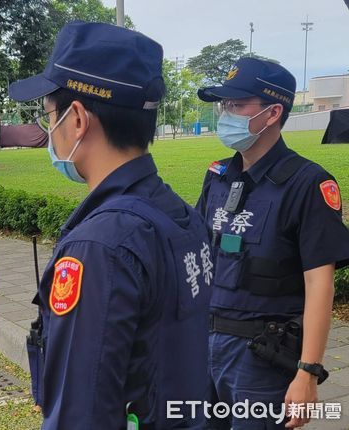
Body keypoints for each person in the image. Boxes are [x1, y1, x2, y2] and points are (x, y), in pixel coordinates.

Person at [9, 21, 212, 429]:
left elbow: (80, 414)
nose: (50, 130)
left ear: (78, 119)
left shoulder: (100, 247)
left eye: (50, 114)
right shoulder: (180, 215)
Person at [196, 57, 349, 429]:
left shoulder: (307, 184)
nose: (226, 114)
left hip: (260, 359)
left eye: (236, 105)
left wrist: (308, 372)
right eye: (224, 105)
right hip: (203, 346)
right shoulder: (217, 177)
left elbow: (319, 283)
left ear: (272, 112)